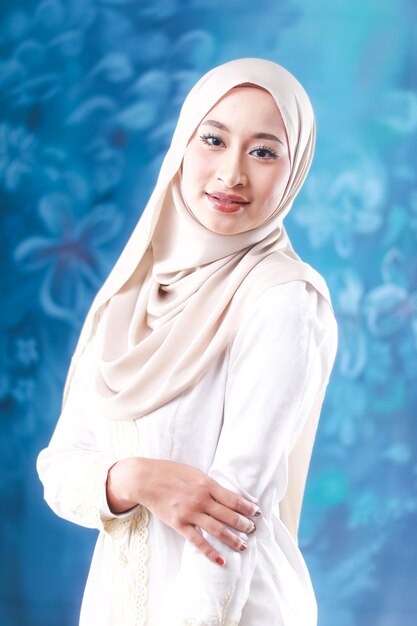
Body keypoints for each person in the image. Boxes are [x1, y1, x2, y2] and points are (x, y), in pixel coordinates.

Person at [36, 57, 338, 626]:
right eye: (214, 139)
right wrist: (133, 479)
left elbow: (230, 530)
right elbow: (59, 472)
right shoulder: (130, 295)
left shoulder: (282, 299)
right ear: (183, 144)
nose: (231, 174)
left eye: (264, 151)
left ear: (294, 169)